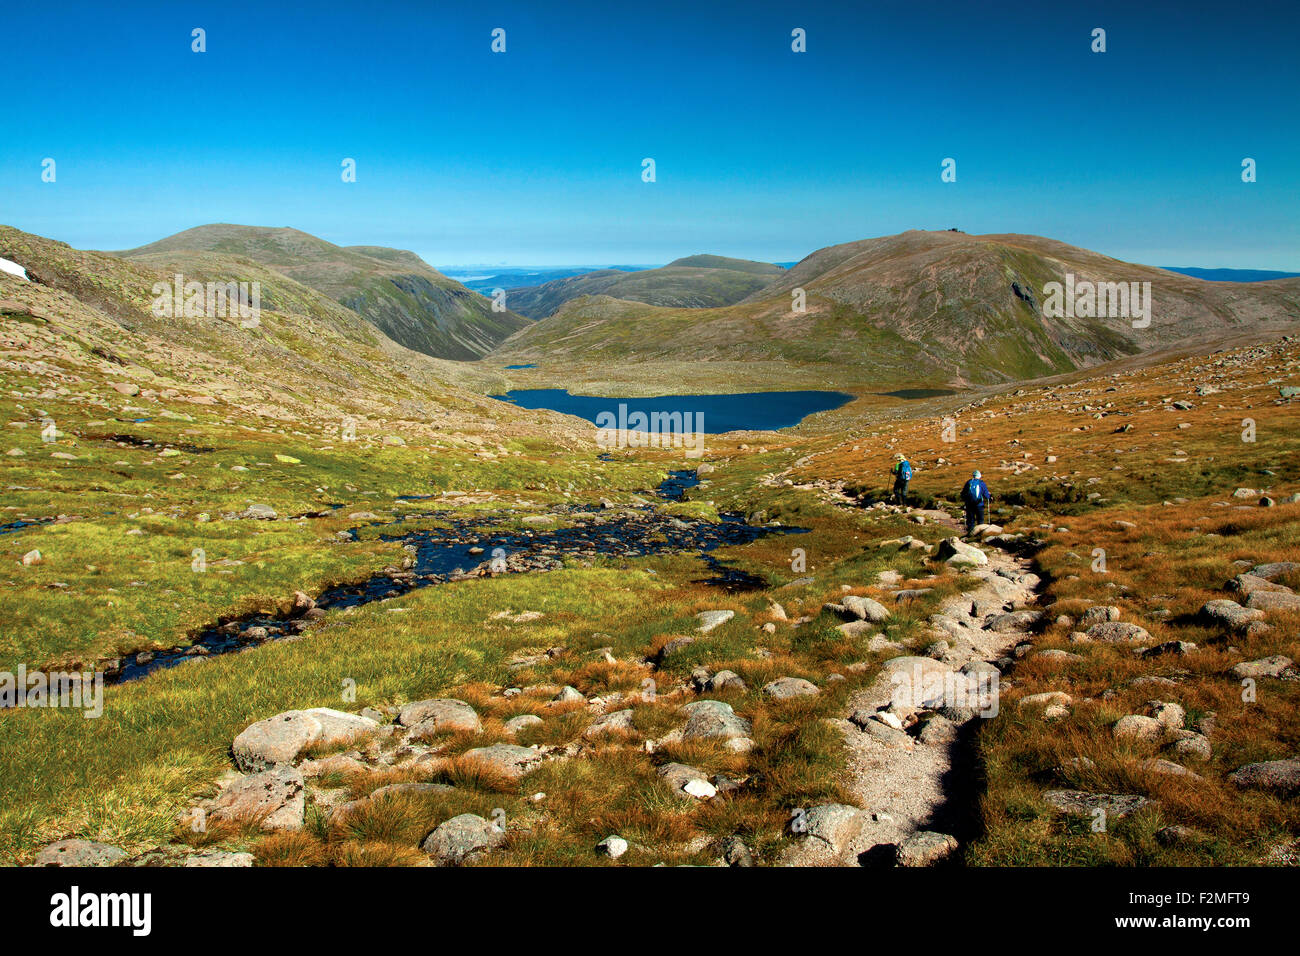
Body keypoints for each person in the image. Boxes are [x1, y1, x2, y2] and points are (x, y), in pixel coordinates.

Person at [961, 470, 990, 536]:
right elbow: (986, 494)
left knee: (971, 520)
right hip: (979, 504)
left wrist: (965, 500)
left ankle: (970, 534)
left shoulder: (969, 482)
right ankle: (980, 534)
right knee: (980, 519)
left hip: (969, 504)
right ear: (979, 476)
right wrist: (989, 497)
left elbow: (963, 493)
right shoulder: (981, 483)